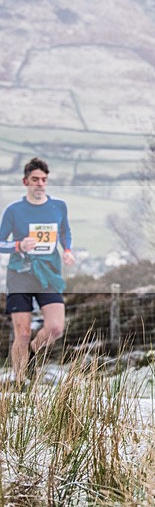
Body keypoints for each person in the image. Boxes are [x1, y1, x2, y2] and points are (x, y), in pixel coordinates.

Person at [1, 157, 74, 386]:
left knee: (55, 327)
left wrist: (68, 250)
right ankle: (21, 382)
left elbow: (64, 232)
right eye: (35, 179)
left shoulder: (58, 206)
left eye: (44, 179)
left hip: (49, 274)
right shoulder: (14, 211)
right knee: (22, 333)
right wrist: (18, 246)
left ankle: (32, 354)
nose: (40, 183)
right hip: (20, 274)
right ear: (25, 182)